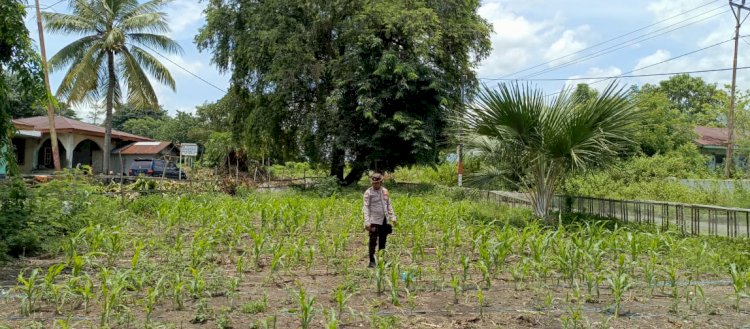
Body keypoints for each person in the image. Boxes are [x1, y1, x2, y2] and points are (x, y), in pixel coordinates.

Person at [363, 172, 396, 268]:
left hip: (384, 220)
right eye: (373, 183)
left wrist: (393, 216)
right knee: (372, 241)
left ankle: (381, 260)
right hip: (374, 220)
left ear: (381, 182)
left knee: (383, 241)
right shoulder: (368, 193)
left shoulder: (385, 191)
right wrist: (367, 221)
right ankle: (372, 261)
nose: (375, 184)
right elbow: (366, 208)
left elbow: (388, 205)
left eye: (377, 183)